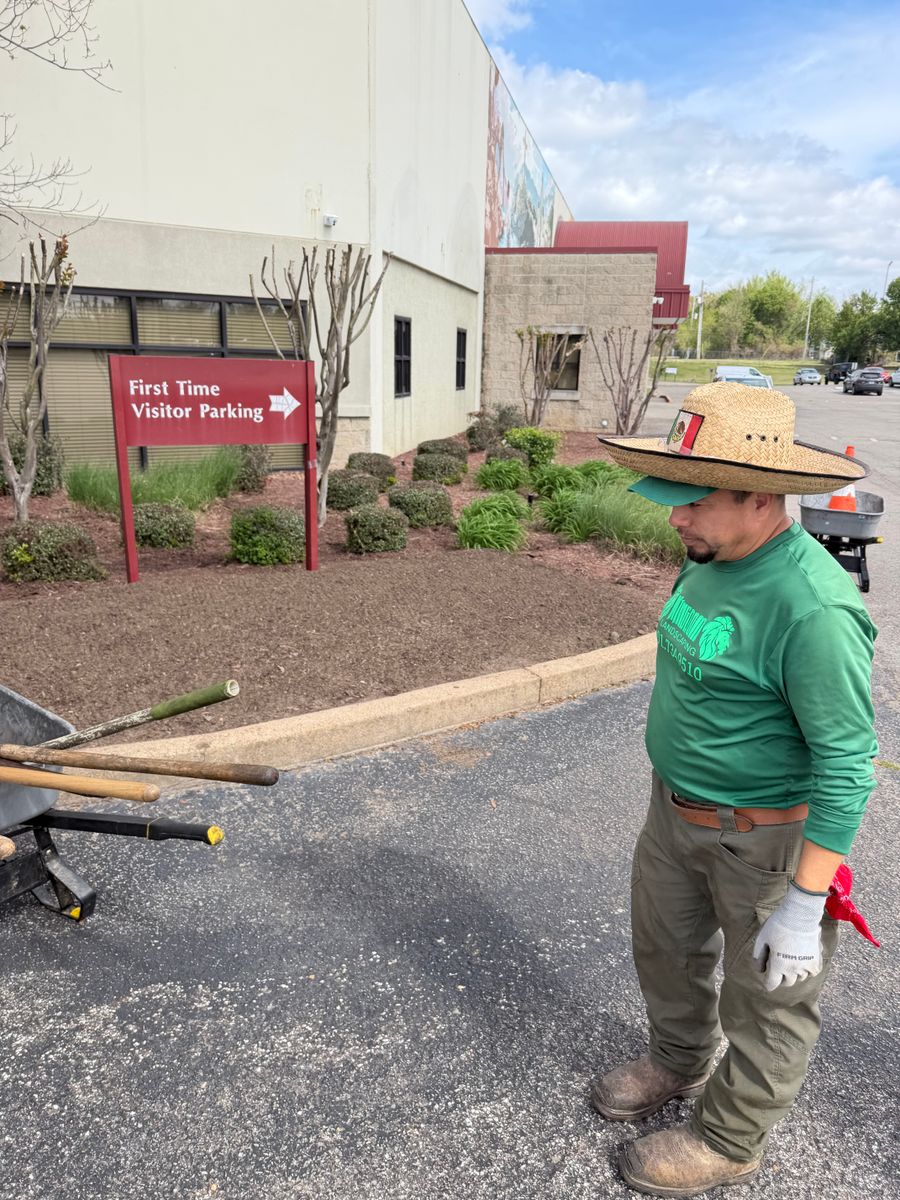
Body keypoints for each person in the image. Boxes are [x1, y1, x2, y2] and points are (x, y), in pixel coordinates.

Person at [592, 382, 879, 1197]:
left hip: (761, 841)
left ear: (762, 496)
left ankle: (730, 1138)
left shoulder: (812, 608)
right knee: (668, 952)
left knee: (768, 1004)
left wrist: (803, 903)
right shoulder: (713, 557)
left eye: (693, 501)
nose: (674, 518)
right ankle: (679, 1062)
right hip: (674, 810)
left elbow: (850, 764)